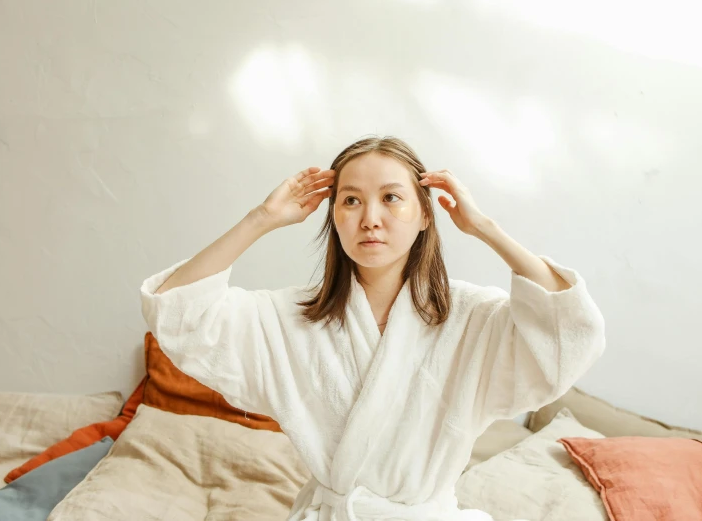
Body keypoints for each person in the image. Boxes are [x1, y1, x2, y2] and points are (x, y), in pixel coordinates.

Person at [140, 136, 605, 521]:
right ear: (334, 217)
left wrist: (484, 227)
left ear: (426, 215)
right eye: (351, 200)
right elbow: (180, 312)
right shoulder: (293, 318)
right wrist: (260, 220)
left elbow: (564, 332)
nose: (370, 218)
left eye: (391, 198)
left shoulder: (472, 318)